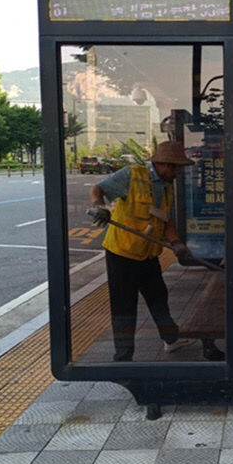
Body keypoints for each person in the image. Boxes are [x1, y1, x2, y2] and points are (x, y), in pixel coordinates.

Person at [89, 141, 196, 362]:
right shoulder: (132, 175)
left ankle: (171, 340)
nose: (177, 173)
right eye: (175, 168)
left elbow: (166, 222)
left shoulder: (166, 189)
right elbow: (97, 189)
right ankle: (123, 357)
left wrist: (177, 243)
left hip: (148, 255)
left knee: (159, 297)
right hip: (122, 255)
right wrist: (100, 207)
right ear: (165, 165)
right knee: (124, 306)